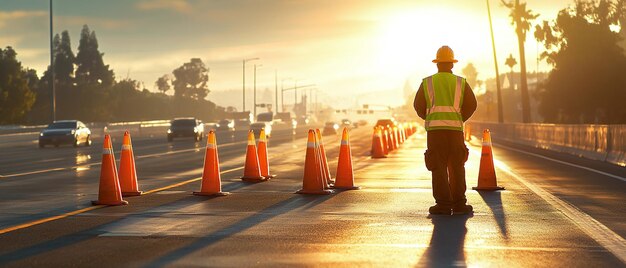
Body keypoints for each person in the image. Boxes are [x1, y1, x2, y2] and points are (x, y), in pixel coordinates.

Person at [413, 46, 477, 215]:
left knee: (438, 166)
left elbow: (418, 106)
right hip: (455, 132)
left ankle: (442, 204)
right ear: (452, 64)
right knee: (457, 166)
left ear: (437, 64)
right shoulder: (460, 82)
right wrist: (459, 118)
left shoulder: (427, 83)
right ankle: (459, 204)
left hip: (435, 132)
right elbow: (472, 105)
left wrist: (429, 117)